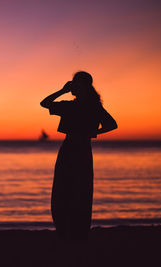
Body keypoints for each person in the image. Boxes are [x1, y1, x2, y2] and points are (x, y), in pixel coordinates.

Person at [40, 71, 117, 241]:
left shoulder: (73, 106)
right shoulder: (93, 106)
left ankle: (68, 232)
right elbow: (111, 124)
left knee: (64, 190)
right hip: (83, 148)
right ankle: (75, 232)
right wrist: (92, 132)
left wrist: (62, 90)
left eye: (74, 83)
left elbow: (45, 103)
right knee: (79, 190)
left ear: (80, 86)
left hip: (70, 149)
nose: (71, 85)